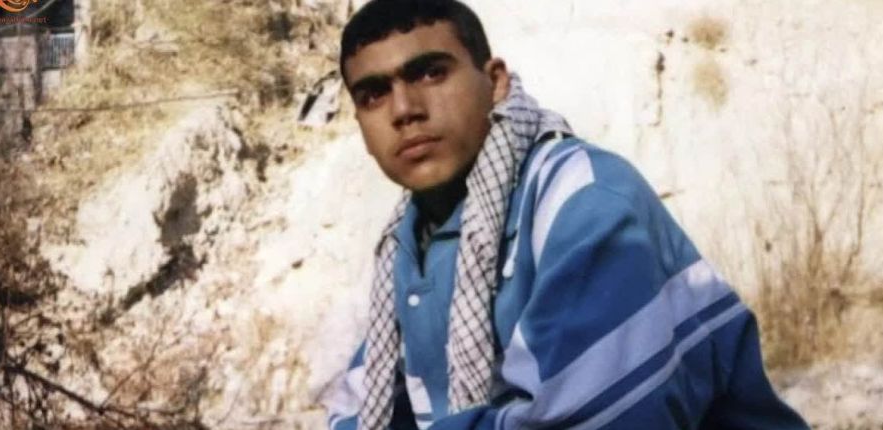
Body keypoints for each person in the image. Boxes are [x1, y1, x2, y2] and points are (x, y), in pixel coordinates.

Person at [322, 1, 809, 429]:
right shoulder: (408, 245)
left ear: (495, 82)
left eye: (431, 73)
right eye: (373, 95)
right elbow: (361, 405)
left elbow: (598, 418)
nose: (404, 110)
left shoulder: (583, 198)